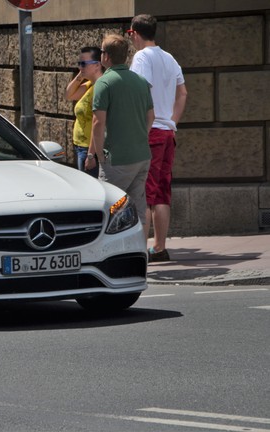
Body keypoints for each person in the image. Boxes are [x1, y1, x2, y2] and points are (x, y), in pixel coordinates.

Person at [128, 14, 188, 262]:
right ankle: (159, 247)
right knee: (162, 192)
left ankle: (140, 250)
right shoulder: (169, 57)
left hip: (149, 131)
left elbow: (141, 94)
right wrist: (172, 122)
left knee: (144, 194)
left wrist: (141, 129)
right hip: (166, 133)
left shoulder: (141, 57)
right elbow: (183, 93)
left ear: (133, 33)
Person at [85, 34, 154, 237]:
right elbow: (151, 116)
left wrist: (98, 155)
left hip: (117, 159)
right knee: (138, 207)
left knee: (109, 210)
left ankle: (112, 257)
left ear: (106, 56)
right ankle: (140, 254)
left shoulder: (104, 84)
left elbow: (98, 123)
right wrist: (140, 136)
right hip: (141, 155)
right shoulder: (141, 81)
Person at [64, 46, 104, 177]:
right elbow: (69, 95)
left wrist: (91, 154)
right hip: (80, 146)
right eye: (79, 64)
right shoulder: (89, 85)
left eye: (83, 64)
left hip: (89, 149)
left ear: (97, 65)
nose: (80, 67)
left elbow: (97, 122)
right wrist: (80, 75)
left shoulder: (100, 87)